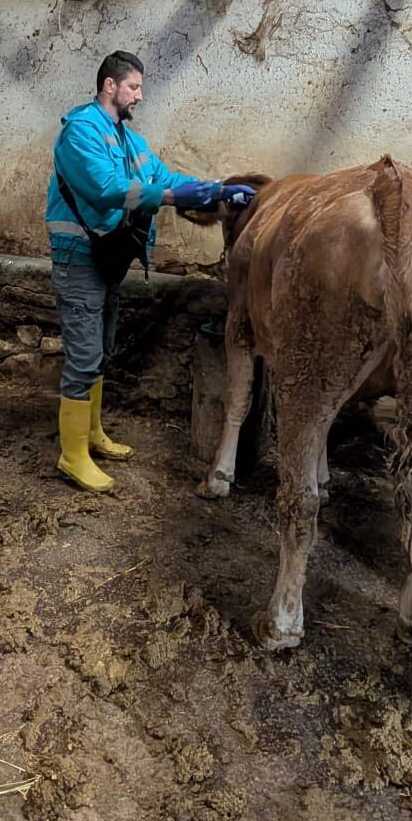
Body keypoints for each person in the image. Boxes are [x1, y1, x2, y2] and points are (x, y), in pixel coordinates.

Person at [46, 51, 255, 492]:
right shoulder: (81, 132)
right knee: (83, 357)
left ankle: (92, 434)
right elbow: (104, 190)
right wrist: (174, 199)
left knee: (100, 349)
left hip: (106, 256)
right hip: (78, 257)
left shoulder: (127, 139)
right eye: (134, 87)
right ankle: (72, 455)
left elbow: (164, 177)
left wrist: (215, 190)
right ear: (110, 86)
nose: (140, 95)